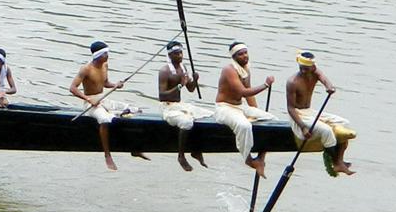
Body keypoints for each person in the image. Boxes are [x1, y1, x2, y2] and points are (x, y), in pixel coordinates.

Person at [69, 41, 147, 171]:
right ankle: (107, 155)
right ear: (98, 55)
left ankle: (134, 148)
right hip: (91, 102)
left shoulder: (105, 65)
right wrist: (88, 99)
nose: (107, 55)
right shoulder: (86, 69)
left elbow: (105, 83)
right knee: (105, 119)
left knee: (135, 110)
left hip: (103, 99)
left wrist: (116, 85)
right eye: (105, 53)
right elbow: (72, 88)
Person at [286, 51, 355, 176]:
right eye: (301, 68)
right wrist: (303, 127)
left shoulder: (315, 72)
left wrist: (329, 87)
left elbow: (325, 80)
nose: (303, 71)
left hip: (309, 111)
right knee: (326, 130)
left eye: (306, 69)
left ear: (312, 67)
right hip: (298, 114)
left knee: (345, 123)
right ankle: (335, 162)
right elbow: (290, 109)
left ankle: (339, 159)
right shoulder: (292, 82)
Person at [214, 42, 275, 177]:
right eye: (240, 54)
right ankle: (249, 160)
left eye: (245, 52)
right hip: (224, 108)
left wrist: (257, 113)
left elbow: (249, 94)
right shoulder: (229, 70)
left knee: (270, 120)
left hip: (239, 107)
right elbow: (243, 92)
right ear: (234, 56)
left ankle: (261, 158)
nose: (245, 56)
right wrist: (265, 85)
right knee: (244, 125)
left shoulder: (245, 69)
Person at [158, 41, 212, 171]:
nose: (180, 56)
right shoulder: (165, 71)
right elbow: (162, 95)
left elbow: (191, 89)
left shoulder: (184, 68)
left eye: (181, 53)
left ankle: (196, 150)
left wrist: (195, 80)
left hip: (179, 105)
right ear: (170, 55)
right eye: (176, 53)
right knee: (186, 122)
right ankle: (181, 156)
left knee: (206, 115)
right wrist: (179, 85)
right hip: (167, 106)